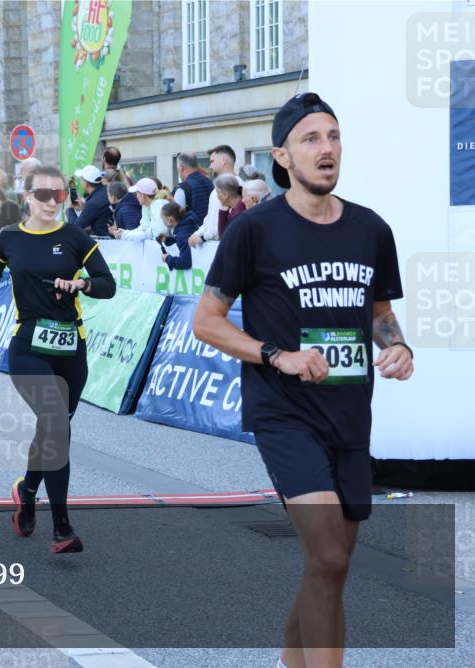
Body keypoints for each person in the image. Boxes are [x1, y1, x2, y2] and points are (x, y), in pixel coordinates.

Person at [193, 92, 413, 668]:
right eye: (311, 139)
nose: (327, 149)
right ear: (282, 157)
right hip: (284, 413)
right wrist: (276, 354)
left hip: (349, 416)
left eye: (333, 137)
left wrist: (398, 347)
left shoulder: (371, 229)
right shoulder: (254, 230)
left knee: (329, 564)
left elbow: (379, 314)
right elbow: (206, 323)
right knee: (331, 557)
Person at [0, 164, 116, 554]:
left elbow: (108, 285)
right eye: (43, 194)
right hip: (28, 347)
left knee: (53, 429)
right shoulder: (9, 238)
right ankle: (62, 527)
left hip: (72, 350)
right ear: (27, 198)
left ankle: (27, 490)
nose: (52, 201)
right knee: (55, 423)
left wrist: (81, 283)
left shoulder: (75, 236)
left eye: (59, 194)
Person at [189, 145, 238, 246]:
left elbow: (233, 221)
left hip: (225, 245)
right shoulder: (215, 190)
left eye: (212, 161)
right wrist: (198, 233)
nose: (210, 166)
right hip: (213, 246)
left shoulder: (239, 186)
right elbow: (210, 218)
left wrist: (203, 237)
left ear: (224, 160)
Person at [158, 200, 200, 271]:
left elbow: (185, 262)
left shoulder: (182, 234)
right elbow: (183, 238)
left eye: (162, 219)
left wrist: (168, 258)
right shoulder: (187, 224)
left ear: (169, 220)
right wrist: (167, 240)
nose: (162, 221)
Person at [173, 152, 215, 223]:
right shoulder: (210, 182)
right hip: (210, 230)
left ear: (181, 168)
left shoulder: (182, 189)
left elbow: (176, 221)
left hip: (191, 232)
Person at [72, 165, 112, 237]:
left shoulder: (92, 203)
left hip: (107, 242)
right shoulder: (108, 190)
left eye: (81, 180)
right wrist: (84, 207)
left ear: (86, 183)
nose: (81, 182)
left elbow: (74, 229)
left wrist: (70, 209)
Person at [213, 174, 246, 238]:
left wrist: (222, 212)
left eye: (218, 193)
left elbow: (224, 237)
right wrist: (223, 210)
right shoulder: (236, 208)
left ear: (226, 194)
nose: (217, 196)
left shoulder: (240, 209)